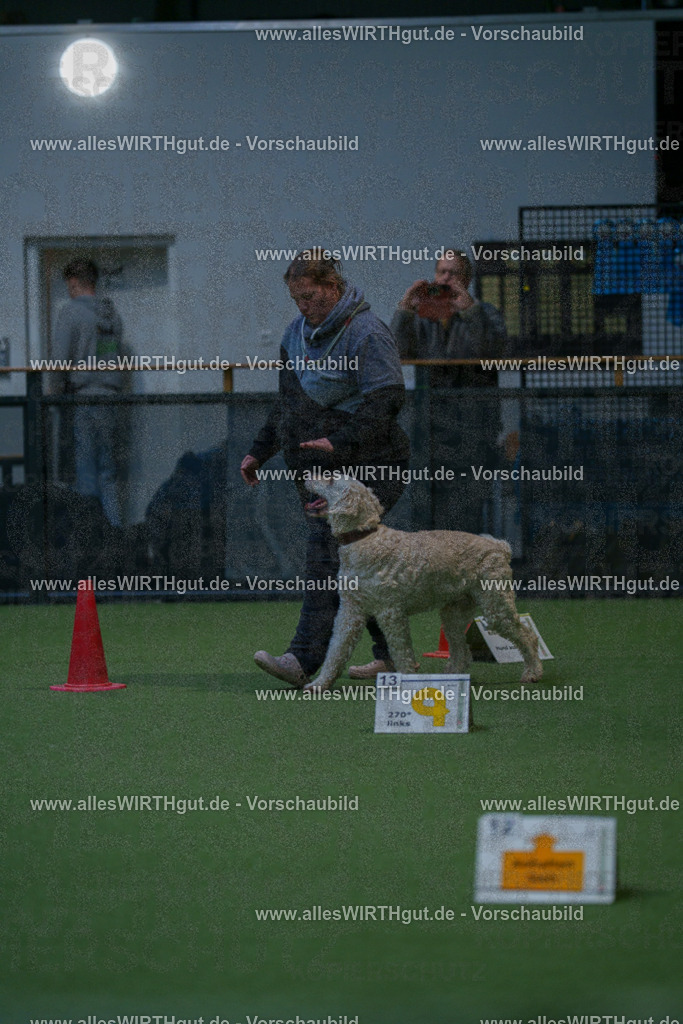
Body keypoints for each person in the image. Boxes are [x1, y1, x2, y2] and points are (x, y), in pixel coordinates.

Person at [241, 250, 410, 687]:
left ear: (333, 288)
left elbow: (388, 399)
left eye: (311, 296)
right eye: (296, 298)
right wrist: (259, 451)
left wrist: (339, 440)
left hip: (372, 465)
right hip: (323, 470)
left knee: (327, 553)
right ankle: (392, 657)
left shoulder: (368, 332)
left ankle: (301, 661)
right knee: (357, 565)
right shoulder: (294, 335)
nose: (303, 307)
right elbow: (287, 406)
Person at [391, 249, 510, 533]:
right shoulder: (424, 318)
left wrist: (469, 309)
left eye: (453, 273)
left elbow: (492, 349)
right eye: (441, 272)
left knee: (467, 512)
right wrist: (405, 308)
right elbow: (396, 351)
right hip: (430, 431)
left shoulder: (486, 313)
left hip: (473, 432)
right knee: (427, 512)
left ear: (466, 279)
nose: (445, 279)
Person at [52, 258, 124, 527]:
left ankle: (88, 542)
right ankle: (115, 537)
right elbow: (110, 357)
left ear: (73, 284)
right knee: (108, 474)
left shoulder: (71, 313)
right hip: (113, 399)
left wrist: (53, 395)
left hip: (84, 399)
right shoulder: (110, 316)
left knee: (85, 474)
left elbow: (59, 361)